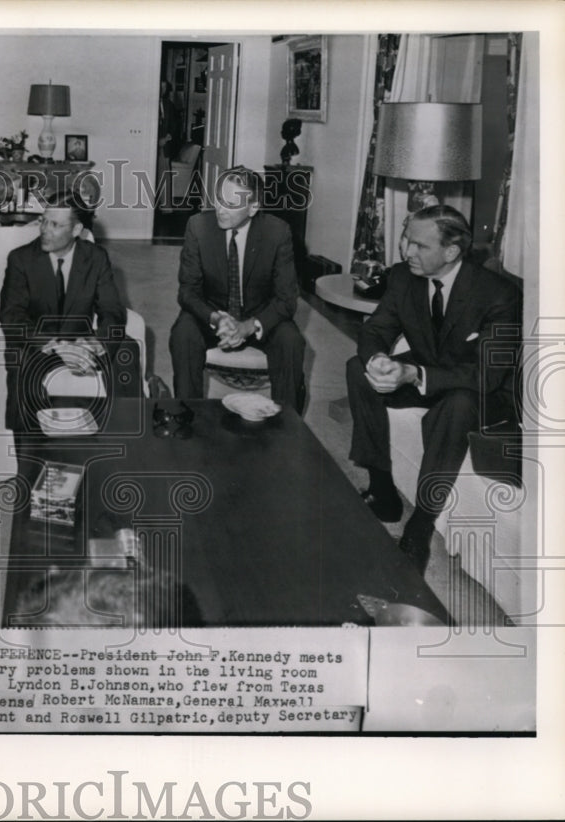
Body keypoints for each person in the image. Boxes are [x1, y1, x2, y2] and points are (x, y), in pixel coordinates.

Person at [346, 205, 520, 574]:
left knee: (457, 404)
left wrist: (413, 373)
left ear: (451, 251)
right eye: (407, 240)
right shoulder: (403, 278)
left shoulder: (499, 295)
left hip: (479, 392)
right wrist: (379, 359)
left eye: (420, 245)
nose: (407, 250)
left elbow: (489, 376)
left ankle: (419, 527)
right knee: (357, 368)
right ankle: (383, 491)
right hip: (427, 370)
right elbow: (376, 330)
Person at [168, 165, 305, 411]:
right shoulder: (198, 226)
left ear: (253, 207)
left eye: (231, 203)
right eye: (219, 198)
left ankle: (288, 426)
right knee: (183, 333)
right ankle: (188, 416)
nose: (220, 208)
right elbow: (187, 292)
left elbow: (286, 300)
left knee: (291, 340)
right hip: (213, 313)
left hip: (258, 315)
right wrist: (215, 318)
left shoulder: (277, 232)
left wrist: (248, 326)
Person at [0, 193, 131, 434]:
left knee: (127, 351)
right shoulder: (21, 259)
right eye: (43, 221)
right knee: (21, 369)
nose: (44, 230)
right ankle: (29, 466)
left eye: (56, 224)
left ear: (77, 229)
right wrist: (55, 345)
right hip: (36, 345)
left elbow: (112, 311)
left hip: (80, 341)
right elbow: (11, 317)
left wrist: (96, 343)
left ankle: (124, 442)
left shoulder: (96, 258)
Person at [156, 80, 182, 211]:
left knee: (164, 175)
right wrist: (156, 140)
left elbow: (175, 125)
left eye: (165, 87)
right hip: (151, 146)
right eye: (160, 86)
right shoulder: (148, 103)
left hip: (164, 147)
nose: (162, 89)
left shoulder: (169, 105)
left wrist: (168, 137)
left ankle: (165, 206)